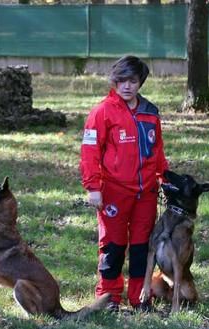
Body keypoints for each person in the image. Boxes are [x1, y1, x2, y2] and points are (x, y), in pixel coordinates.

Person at [79, 55, 169, 312]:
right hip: (113, 193)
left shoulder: (150, 113)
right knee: (113, 246)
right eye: (122, 80)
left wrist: (164, 178)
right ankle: (109, 298)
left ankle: (140, 298)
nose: (127, 86)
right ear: (114, 81)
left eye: (132, 80)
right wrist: (93, 187)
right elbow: (90, 152)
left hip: (147, 193)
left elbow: (158, 151)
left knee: (142, 247)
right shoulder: (102, 112)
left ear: (140, 82)